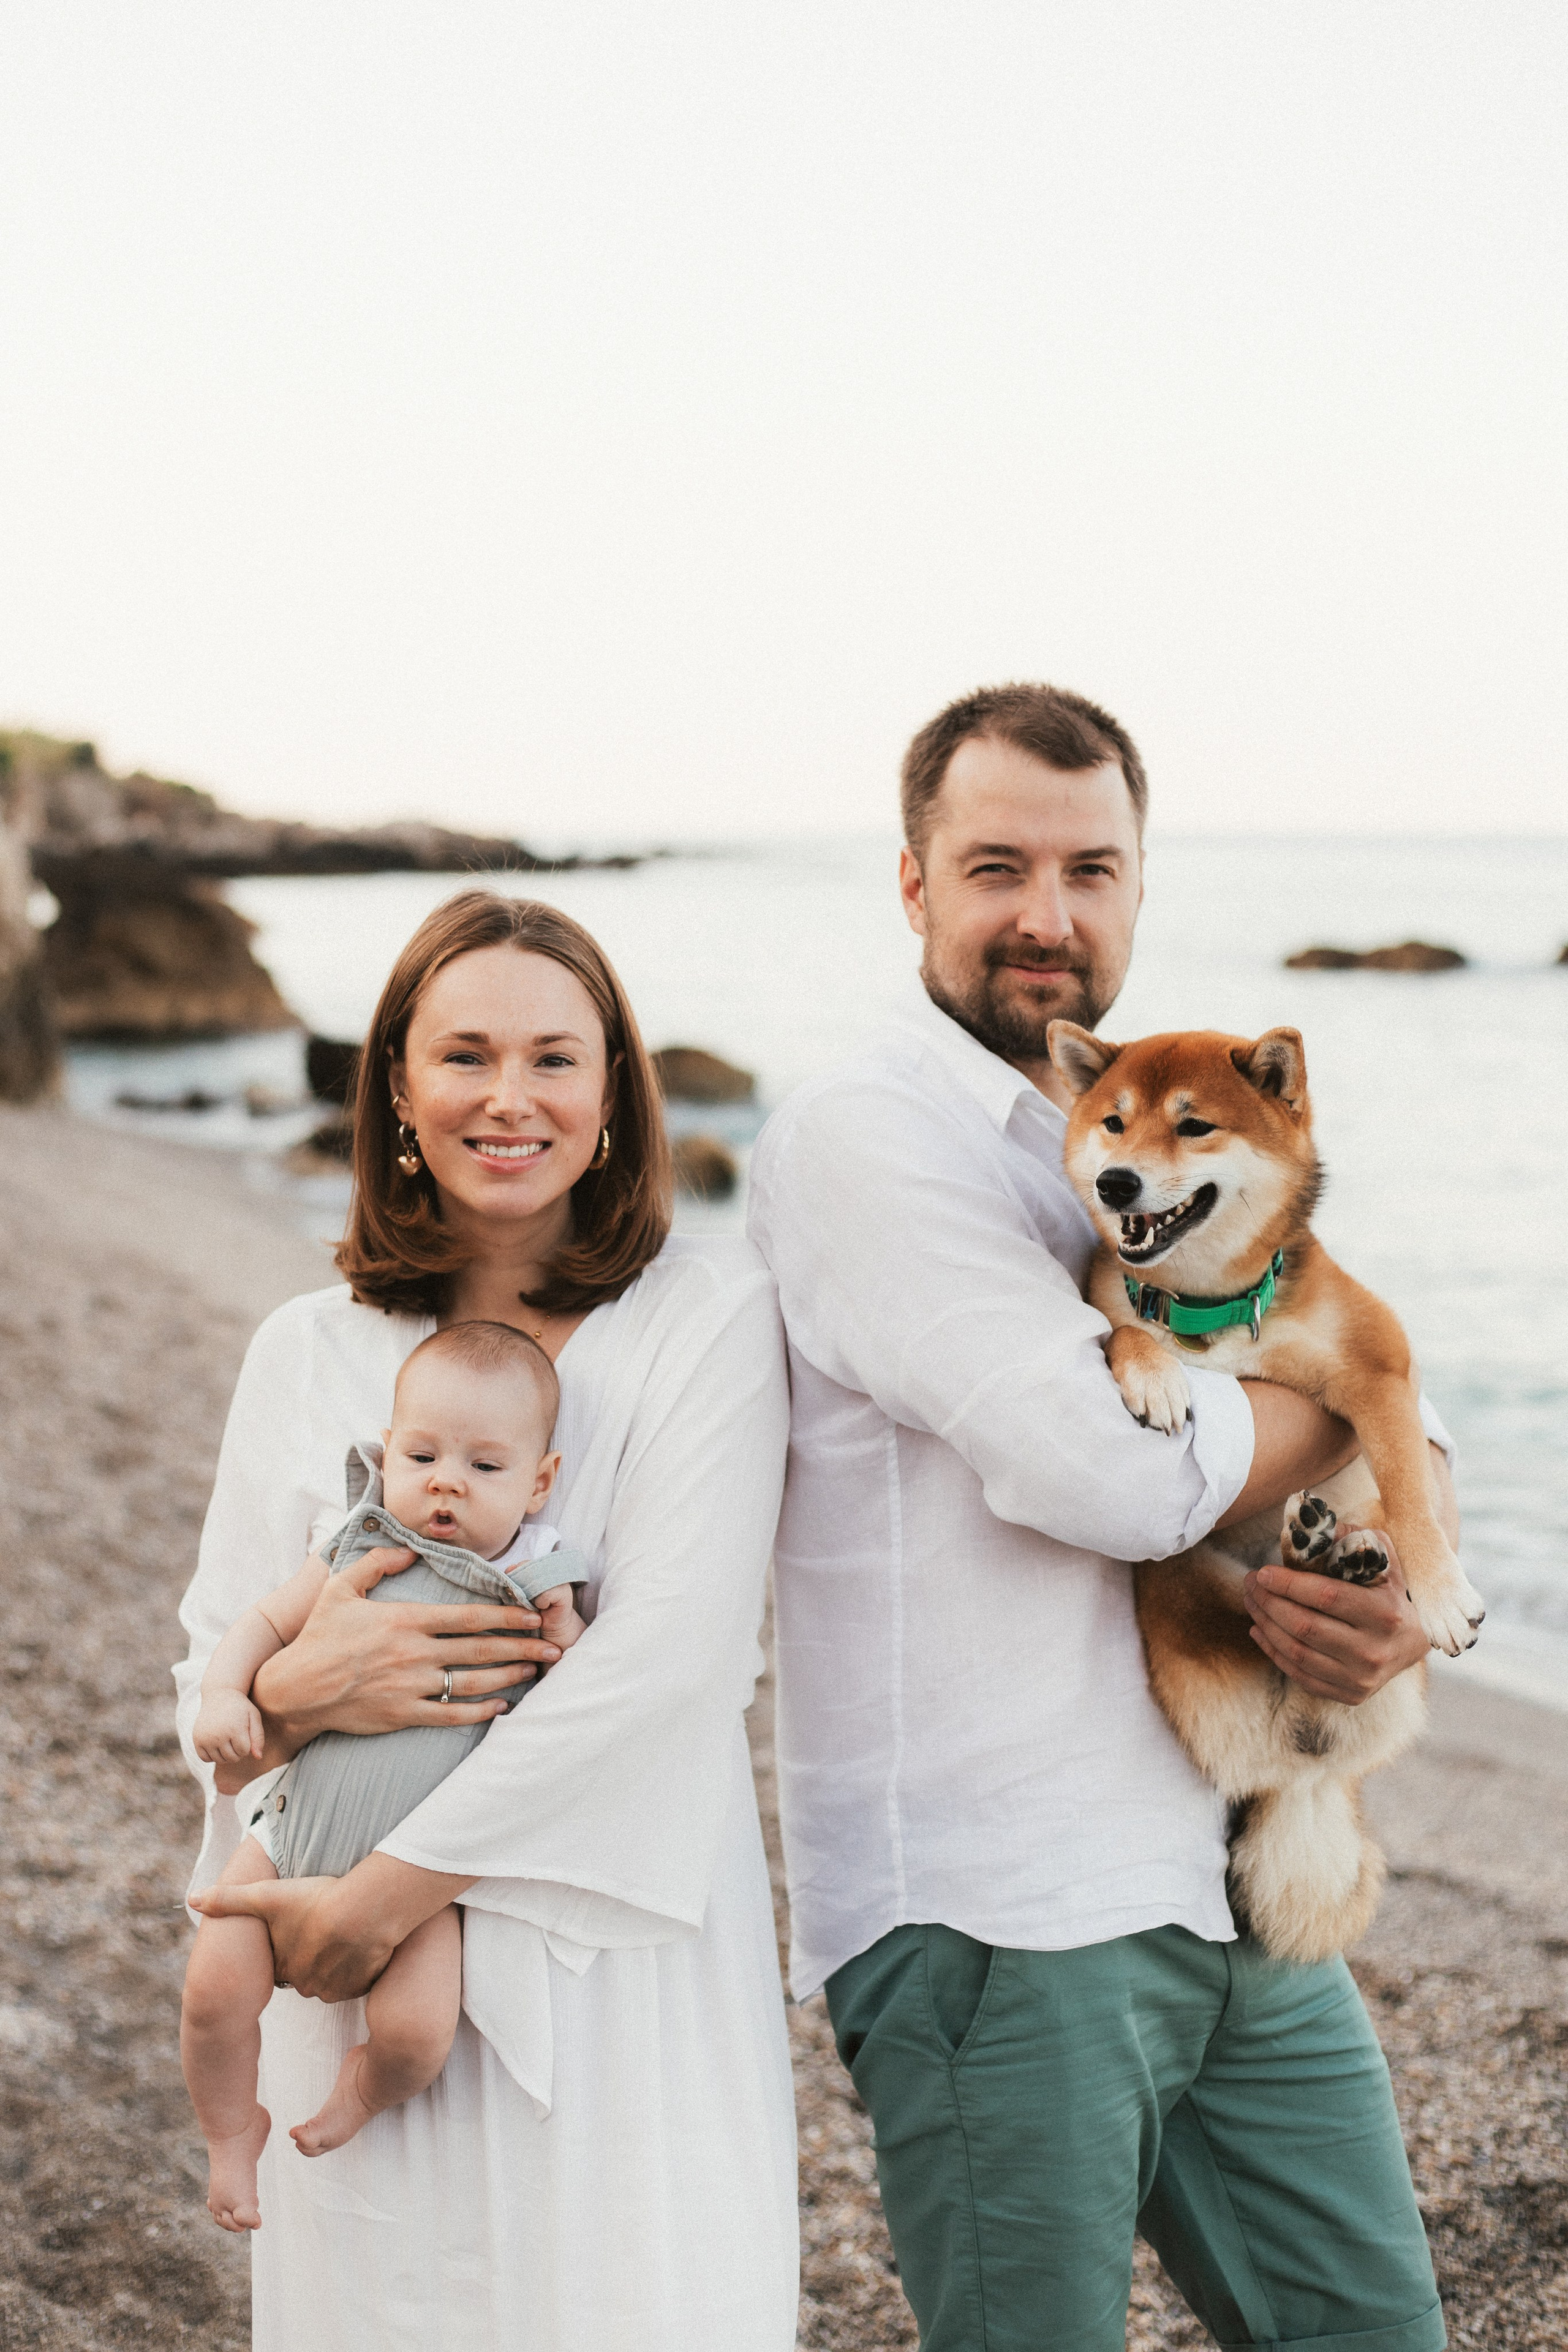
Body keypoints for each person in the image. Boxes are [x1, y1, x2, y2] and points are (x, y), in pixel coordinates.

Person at [747, 683, 1455, 2352]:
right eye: (997, 865)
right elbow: (1115, 1474)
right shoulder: (873, 1142)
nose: (1048, 917)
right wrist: (1349, 1408)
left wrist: (1384, 1590)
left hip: (1234, 1880)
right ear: (913, 882)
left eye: (1093, 870)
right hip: (1007, 1910)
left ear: (1140, 886)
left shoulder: (1144, 1140)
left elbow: (1345, 1393)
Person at [177, 890, 798, 2352]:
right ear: (397, 1084)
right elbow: (208, 1643)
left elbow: (668, 1667)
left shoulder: (708, 1323)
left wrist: (378, 1898)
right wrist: (297, 1695)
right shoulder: (305, 1348)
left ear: (614, 1096)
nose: (507, 1099)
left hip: (609, 1972)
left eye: (553, 1059)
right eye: (462, 1056)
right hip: (344, 1980)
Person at [183, 1319, 587, 2228]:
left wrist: (563, 1639)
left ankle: (364, 2088)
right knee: (214, 1995)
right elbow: (260, 1624)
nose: (446, 1481)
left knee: (415, 2036)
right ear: (385, 1449)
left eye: (485, 1467)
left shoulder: (536, 1569)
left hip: (420, 1872)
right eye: (421, 1454)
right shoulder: (359, 1544)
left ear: (539, 1480)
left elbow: (580, 1675)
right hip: (293, 1831)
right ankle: (228, 2133)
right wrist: (223, 1696)